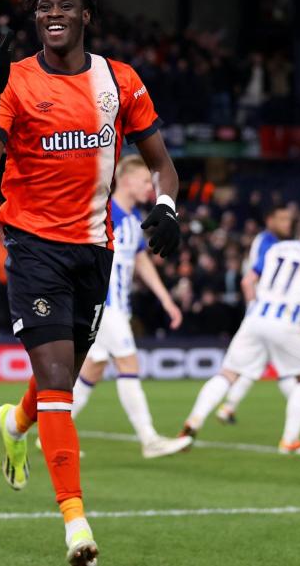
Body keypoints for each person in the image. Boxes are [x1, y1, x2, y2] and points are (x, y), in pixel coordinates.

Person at [0, 0, 181, 565]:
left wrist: (166, 207)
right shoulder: (15, 81)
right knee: (60, 381)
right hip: (34, 246)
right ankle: (75, 523)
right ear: (36, 19)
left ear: (86, 14)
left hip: (95, 249)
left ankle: (15, 421)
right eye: (43, 7)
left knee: (57, 374)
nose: (52, 13)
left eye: (64, 5)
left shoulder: (121, 81)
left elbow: (162, 164)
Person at [179, 211, 300, 454]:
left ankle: (193, 421)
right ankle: (290, 441)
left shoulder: (276, 250)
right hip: (285, 323)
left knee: (228, 373)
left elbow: (247, 281)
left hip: (256, 317)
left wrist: (256, 306)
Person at [66, 155, 190, 458]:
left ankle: (52, 431)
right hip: (103, 304)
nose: (151, 187)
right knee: (128, 363)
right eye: (146, 181)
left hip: (117, 306)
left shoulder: (134, 220)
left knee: (92, 370)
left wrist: (165, 299)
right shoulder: (103, 212)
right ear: (126, 179)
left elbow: (140, 260)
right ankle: (149, 439)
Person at [215, 206, 300, 428]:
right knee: (290, 367)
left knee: (260, 366)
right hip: (269, 312)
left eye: (289, 219)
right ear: (270, 220)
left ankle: (228, 407)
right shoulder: (270, 243)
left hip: (269, 310)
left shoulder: (272, 242)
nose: (287, 223)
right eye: (282, 219)